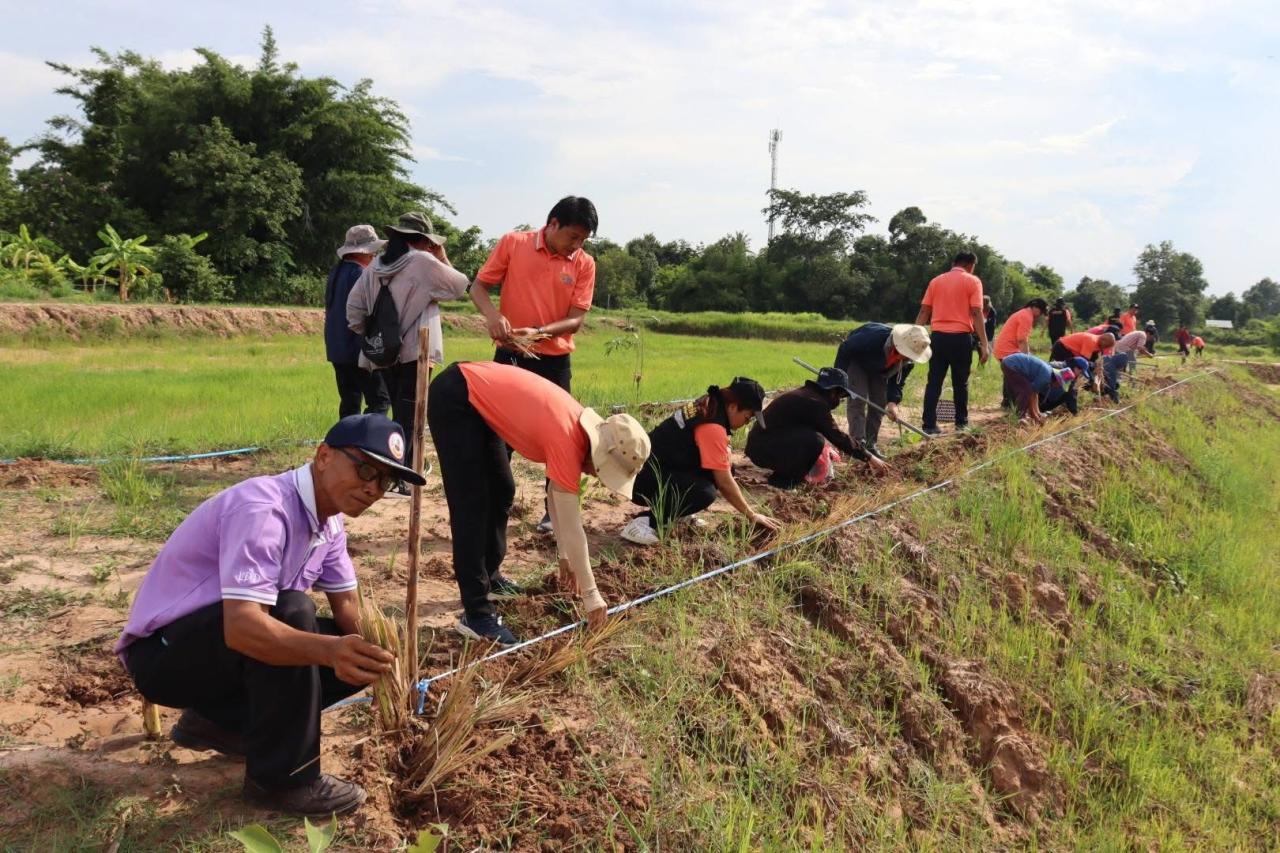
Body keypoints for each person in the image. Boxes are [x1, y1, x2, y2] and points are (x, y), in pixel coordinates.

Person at [116, 414, 423, 816]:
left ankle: (218, 723)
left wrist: (390, 659)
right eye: (365, 469)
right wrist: (330, 651)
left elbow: (348, 607)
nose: (372, 488)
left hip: (216, 651)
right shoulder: (264, 509)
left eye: (385, 481)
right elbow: (244, 628)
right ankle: (283, 781)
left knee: (354, 652)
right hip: (161, 657)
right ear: (324, 455)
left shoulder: (328, 526)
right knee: (295, 612)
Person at [428, 360, 649, 645]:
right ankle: (476, 613)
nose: (596, 474)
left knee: (502, 490)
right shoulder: (568, 439)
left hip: (476, 401)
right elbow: (572, 525)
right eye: (603, 470)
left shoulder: (577, 432)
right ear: (600, 454)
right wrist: (592, 595)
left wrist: (564, 559)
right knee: (472, 504)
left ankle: (490, 577)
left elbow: (556, 500)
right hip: (457, 397)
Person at [471, 196, 599, 534]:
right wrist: (493, 316)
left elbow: (576, 319)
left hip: (555, 360)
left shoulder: (584, 263)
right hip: (512, 356)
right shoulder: (514, 244)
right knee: (499, 433)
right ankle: (492, 504)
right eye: (573, 236)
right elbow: (479, 287)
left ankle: (552, 511)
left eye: (583, 240)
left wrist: (540, 332)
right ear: (552, 224)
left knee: (564, 436)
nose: (577, 245)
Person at [346, 212, 470, 494]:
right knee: (413, 415)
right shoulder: (423, 261)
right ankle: (401, 476)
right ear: (424, 241)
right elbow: (460, 285)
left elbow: (353, 310)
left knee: (399, 414)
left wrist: (375, 332)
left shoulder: (376, 265)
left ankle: (394, 470)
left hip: (385, 353)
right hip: (417, 350)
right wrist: (441, 256)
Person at [621, 377, 780, 546]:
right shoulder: (712, 425)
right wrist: (751, 514)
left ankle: (678, 515)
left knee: (723, 469)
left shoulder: (709, 404)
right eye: (747, 417)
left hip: (655, 468)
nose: (746, 423)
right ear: (733, 407)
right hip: (643, 480)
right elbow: (724, 483)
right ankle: (645, 523)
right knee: (704, 492)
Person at [745, 367, 888, 488]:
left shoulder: (806, 395)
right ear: (833, 392)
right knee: (815, 440)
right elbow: (837, 436)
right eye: (840, 397)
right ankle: (784, 482)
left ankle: (783, 476)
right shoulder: (815, 403)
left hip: (761, 445)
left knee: (811, 438)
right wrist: (869, 457)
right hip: (762, 448)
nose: (839, 401)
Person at [915, 251, 990, 434]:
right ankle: (961, 424)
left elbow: (924, 311)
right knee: (960, 383)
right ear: (971, 265)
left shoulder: (936, 280)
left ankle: (929, 425)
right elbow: (977, 313)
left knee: (934, 382)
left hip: (938, 338)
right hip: (960, 339)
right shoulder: (973, 281)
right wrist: (985, 344)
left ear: (954, 263)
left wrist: (913, 334)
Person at [834, 322, 931, 459]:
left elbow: (897, 382)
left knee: (880, 403)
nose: (908, 357)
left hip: (880, 370)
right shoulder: (874, 338)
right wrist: (839, 379)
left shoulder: (908, 362)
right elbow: (846, 348)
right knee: (858, 398)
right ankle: (857, 444)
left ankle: (870, 444)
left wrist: (892, 402)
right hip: (858, 361)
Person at [324, 225, 390, 419]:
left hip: (337, 349)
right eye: (372, 251)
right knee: (379, 401)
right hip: (359, 350)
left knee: (350, 402)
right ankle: (368, 443)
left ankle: (346, 445)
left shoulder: (335, 273)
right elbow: (369, 312)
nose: (374, 255)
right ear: (363, 252)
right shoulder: (361, 274)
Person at [994, 298, 1049, 407]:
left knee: (1010, 375)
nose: (1040, 315)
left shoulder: (1023, 313)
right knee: (1018, 376)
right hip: (1007, 350)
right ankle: (1012, 404)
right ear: (1035, 307)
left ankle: (1007, 403)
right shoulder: (1026, 316)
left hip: (1003, 348)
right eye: (1041, 312)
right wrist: (1027, 360)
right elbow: (1022, 340)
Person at [1000, 353, 1076, 424]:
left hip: (1011, 363)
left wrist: (1038, 413)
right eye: (1060, 385)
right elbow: (1032, 393)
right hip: (1011, 364)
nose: (1059, 387)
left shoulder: (1048, 374)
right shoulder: (1046, 377)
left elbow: (1035, 394)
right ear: (1058, 380)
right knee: (1026, 391)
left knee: (1027, 390)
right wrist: (1035, 416)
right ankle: (1021, 417)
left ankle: (1021, 414)